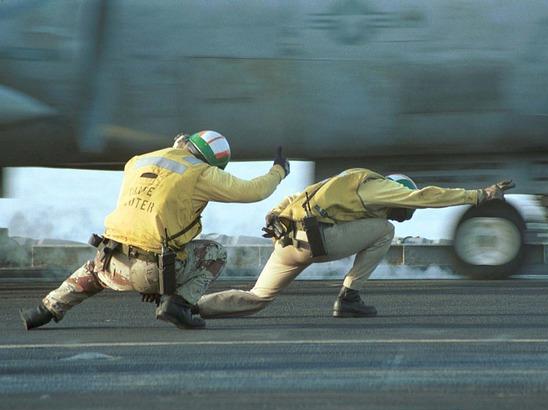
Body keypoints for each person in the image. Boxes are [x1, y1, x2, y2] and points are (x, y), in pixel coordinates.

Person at [19, 130, 290, 330]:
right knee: (215, 253)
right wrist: (278, 170)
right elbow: (254, 191)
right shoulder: (203, 173)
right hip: (155, 270)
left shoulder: (138, 161)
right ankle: (178, 304)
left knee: (94, 271)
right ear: (212, 162)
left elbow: (154, 196)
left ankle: (43, 310)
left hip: (112, 262)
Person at [194, 169, 513, 319]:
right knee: (384, 230)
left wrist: (272, 214)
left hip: (287, 242)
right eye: (404, 210)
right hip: (316, 243)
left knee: (257, 297)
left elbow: (293, 197)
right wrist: (479, 195)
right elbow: (426, 197)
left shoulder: (341, 181)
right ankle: (349, 296)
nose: (404, 213)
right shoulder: (380, 187)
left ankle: (190, 307)